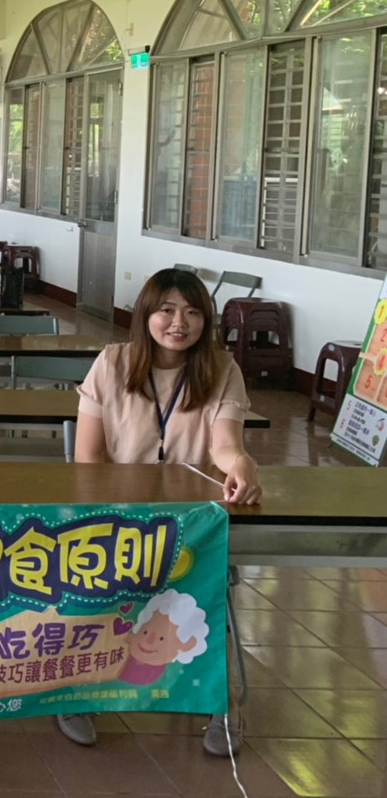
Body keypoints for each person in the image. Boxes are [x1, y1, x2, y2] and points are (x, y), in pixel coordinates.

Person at [55, 267, 261, 756]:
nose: (178, 322)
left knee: (209, 599)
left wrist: (244, 464)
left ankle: (217, 705)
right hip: (118, 520)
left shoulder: (221, 368)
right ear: (146, 314)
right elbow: (89, 460)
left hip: (191, 526)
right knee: (90, 591)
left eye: (192, 313)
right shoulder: (111, 363)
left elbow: (226, 445)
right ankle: (75, 694)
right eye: (166, 310)